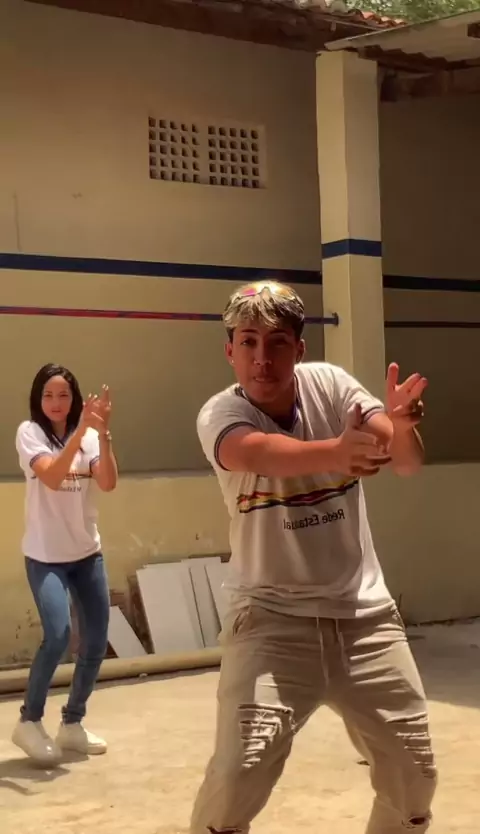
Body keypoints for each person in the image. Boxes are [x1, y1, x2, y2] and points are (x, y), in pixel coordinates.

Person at [191, 281, 437, 834]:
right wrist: (336, 452)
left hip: (366, 618)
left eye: (277, 342)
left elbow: (404, 461)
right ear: (230, 350)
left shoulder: (330, 386)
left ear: (299, 349)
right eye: (248, 341)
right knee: (238, 774)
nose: (262, 357)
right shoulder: (220, 414)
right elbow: (256, 452)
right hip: (271, 620)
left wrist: (401, 427)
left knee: (414, 778)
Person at [12, 363, 118, 765]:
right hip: (45, 557)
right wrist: (80, 434)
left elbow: (107, 482)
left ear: (74, 399)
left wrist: (102, 433)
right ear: (38, 399)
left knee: (95, 642)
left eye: (64, 395)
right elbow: (53, 477)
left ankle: (72, 723)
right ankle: (29, 721)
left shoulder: (89, 436)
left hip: (87, 553)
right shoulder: (30, 433)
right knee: (58, 635)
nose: (56, 402)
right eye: (48, 395)